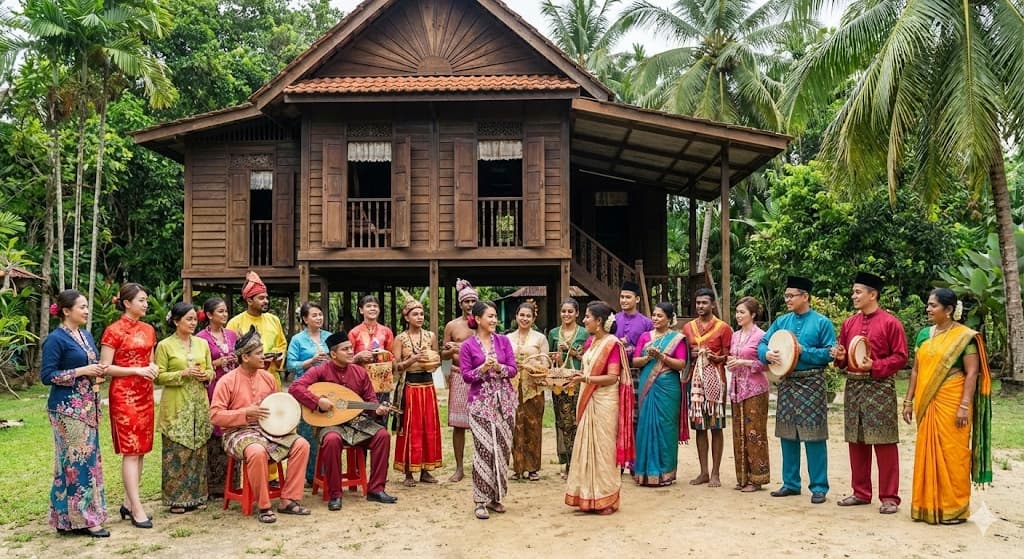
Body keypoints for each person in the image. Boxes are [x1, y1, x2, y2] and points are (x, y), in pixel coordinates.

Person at [903, 288, 992, 525]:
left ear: (949, 310)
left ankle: (954, 509)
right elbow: (916, 370)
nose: (928, 309)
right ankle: (925, 506)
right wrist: (908, 400)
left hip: (953, 402)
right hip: (927, 402)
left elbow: (972, 373)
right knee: (926, 451)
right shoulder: (923, 335)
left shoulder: (965, 337)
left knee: (954, 454)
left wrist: (964, 405)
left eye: (933, 305)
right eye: (929, 305)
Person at [210, 328, 311, 523]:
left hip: (269, 430)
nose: (263, 357)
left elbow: (279, 406)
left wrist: (287, 422)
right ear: (245, 357)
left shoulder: (268, 377)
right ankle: (264, 506)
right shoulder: (227, 381)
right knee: (256, 450)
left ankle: (288, 500)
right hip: (237, 432)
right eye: (259, 353)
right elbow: (215, 416)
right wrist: (244, 413)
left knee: (301, 444)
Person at [290, 332, 399, 510]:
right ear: (333, 354)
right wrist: (318, 402)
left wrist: (377, 410)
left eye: (351, 348)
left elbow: (370, 401)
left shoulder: (359, 372)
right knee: (332, 440)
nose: (351, 352)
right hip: (329, 423)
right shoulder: (320, 370)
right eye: (345, 349)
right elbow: (296, 387)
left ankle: (376, 489)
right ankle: (335, 494)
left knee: (382, 436)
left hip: (356, 421)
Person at [831, 272, 908, 514]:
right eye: (853, 292)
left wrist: (874, 366)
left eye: (858, 292)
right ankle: (861, 492)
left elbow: (901, 357)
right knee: (856, 440)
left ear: (872, 294)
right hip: (853, 386)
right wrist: (840, 358)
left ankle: (889, 497)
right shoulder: (849, 323)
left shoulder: (890, 323)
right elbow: (843, 357)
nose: (853, 296)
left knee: (884, 441)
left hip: (880, 387)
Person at [758, 276, 837, 504]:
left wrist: (804, 351)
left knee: (814, 436)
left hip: (811, 382)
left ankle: (819, 487)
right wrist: (767, 354)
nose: (787, 300)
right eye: (786, 296)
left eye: (791, 296)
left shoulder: (822, 323)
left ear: (805, 296)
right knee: (787, 434)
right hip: (787, 383)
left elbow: (829, 353)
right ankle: (790, 483)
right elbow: (763, 343)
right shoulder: (782, 322)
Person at [41, 289, 110, 537]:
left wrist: (96, 371)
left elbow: (89, 367)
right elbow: (47, 376)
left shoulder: (86, 335)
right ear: (66, 311)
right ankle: (86, 519)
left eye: (87, 306)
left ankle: (66, 520)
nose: (87, 310)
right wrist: (82, 371)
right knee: (75, 464)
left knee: (85, 463)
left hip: (88, 407)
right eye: (82, 307)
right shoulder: (55, 339)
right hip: (66, 410)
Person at [565, 301, 635, 514]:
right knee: (586, 448)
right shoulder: (590, 342)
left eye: (587, 316)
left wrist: (585, 378)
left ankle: (606, 498)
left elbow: (613, 378)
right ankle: (587, 496)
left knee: (604, 450)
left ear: (600, 321)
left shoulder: (612, 344)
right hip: (589, 398)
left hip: (605, 402)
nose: (584, 320)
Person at [100, 282, 157, 529]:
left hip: (145, 393)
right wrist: (137, 370)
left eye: (146, 300)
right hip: (124, 395)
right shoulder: (113, 331)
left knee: (141, 449)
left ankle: (128, 502)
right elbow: (104, 367)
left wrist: (152, 369)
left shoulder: (148, 329)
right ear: (126, 303)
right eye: (141, 300)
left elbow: (150, 360)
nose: (145, 304)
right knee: (131, 450)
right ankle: (137, 507)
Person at [459, 300, 518, 520]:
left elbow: (513, 369)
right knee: (484, 450)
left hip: (505, 403)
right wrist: (482, 369)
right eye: (490, 316)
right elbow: (466, 375)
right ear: (478, 319)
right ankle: (480, 501)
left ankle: (496, 497)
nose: (494, 320)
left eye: (495, 316)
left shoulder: (503, 342)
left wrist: (499, 368)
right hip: (480, 405)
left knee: (502, 449)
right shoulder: (467, 346)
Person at [154, 302, 215, 514]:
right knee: (177, 451)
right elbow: (158, 376)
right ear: (176, 321)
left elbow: (211, 370)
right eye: (188, 319)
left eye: (194, 319)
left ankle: (198, 495)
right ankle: (176, 499)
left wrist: (204, 375)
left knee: (198, 450)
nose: (193, 323)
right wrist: (182, 374)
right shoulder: (164, 346)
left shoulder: (202, 344)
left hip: (198, 402)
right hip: (177, 404)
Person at [631, 302, 688, 486]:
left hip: (668, 386)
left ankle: (665, 472)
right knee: (645, 425)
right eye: (654, 315)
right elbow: (636, 361)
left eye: (660, 316)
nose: (655, 319)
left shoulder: (677, 338)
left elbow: (681, 364)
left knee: (666, 427)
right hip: (648, 384)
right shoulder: (645, 337)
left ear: (669, 319)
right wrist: (648, 357)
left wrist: (662, 357)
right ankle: (645, 472)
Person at [390, 291, 443, 486]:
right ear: (406, 317)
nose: (419, 317)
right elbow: (395, 366)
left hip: (427, 386)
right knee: (411, 427)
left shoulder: (430, 336)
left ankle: (426, 470)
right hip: (409, 387)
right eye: (415, 314)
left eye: (421, 314)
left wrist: (432, 363)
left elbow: (436, 360)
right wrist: (411, 359)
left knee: (428, 426)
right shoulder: (400, 339)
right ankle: (408, 472)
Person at [682, 288, 732, 487]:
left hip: (716, 381)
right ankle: (703, 471)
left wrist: (716, 357)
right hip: (695, 382)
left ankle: (715, 473)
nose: (700, 306)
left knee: (716, 426)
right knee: (700, 427)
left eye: (704, 303)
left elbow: (728, 356)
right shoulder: (688, 328)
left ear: (713, 304)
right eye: (698, 303)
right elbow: (683, 355)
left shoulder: (723, 328)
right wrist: (692, 355)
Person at [284, 301, 332, 484]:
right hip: (305, 389)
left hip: (327, 389)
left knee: (327, 430)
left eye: (320, 314)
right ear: (305, 319)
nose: (319, 318)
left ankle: (325, 472)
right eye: (314, 315)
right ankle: (308, 475)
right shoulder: (297, 339)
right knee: (307, 431)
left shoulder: (329, 337)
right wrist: (310, 361)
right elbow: (290, 365)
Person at [727, 296, 771, 492]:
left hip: (755, 389)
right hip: (738, 387)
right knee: (739, 432)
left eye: (742, 312)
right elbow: (732, 358)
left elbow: (766, 363)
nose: (738, 315)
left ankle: (758, 478)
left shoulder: (762, 336)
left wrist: (743, 363)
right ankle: (743, 476)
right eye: (737, 312)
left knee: (755, 433)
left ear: (753, 314)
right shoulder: (735, 335)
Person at [196, 297, 238, 498]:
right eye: (220, 311)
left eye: (226, 311)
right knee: (216, 431)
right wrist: (217, 362)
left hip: (233, 385)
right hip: (213, 386)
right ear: (210, 315)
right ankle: (213, 485)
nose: (224, 315)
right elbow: (199, 366)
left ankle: (233, 482)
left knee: (233, 426)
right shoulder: (201, 338)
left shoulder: (231, 335)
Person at [441, 278, 479, 482]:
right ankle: (458, 467)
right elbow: (444, 354)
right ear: (460, 303)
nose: (470, 305)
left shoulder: (482, 323)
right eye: (467, 302)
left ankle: (479, 465)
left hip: (478, 376)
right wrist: (449, 354)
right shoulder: (452, 326)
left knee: (479, 422)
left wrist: (463, 349)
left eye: (473, 301)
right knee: (458, 424)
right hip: (458, 375)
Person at [547, 298, 588, 479]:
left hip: (578, 381)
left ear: (577, 314)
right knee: (562, 422)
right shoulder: (554, 333)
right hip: (559, 383)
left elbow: (587, 356)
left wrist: (571, 351)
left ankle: (578, 461)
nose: (566, 315)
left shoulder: (585, 333)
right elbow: (550, 357)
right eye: (563, 311)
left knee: (576, 421)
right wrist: (556, 357)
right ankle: (566, 460)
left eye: (570, 311)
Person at [509, 299, 549, 482]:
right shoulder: (507, 338)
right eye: (522, 315)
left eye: (528, 316)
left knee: (533, 426)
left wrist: (536, 365)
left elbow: (546, 362)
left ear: (534, 318)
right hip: (512, 387)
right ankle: (517, 467)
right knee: (515, 426)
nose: (525, 318)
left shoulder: (540, 338)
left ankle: (532, 468)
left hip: (533, 387)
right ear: (516, 316)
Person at [226, 271, 287, 388]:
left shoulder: (274, 320)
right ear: (249, 301)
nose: (266, 301)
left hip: (271, 377)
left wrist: (277, 357)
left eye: (266, 298)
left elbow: (282, 345)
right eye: (261, 298)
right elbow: (230, 351)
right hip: (245, 380)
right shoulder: (235, 323)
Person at [349, 294, 396, 410]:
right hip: (361, 380)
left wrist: (384, 355)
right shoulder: (354, 333)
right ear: (361, 310)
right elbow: (346, 358)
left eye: (375, 306)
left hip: (382, 380)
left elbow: (392, 356)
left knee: (382, 412)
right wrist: (357, 357)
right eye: (368, 306)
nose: (372, 308)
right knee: (363, 415)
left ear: (379, 310)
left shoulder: (386, 331)